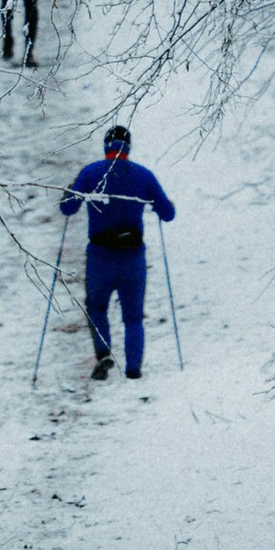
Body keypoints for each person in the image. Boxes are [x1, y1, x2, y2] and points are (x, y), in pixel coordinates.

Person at [60, 123, 176, 381]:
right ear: (128, 147)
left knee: (96, 307)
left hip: (100, 257)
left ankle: (104, 354)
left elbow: (68, 209)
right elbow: (168, 214)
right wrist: (162, 204)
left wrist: (69, 192)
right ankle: (133, 367)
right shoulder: (143, 175)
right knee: (133, 316)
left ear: (106, 147)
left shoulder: (91, 173)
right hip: (132, 257)